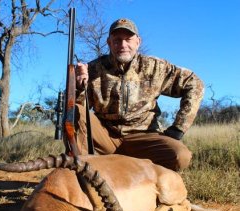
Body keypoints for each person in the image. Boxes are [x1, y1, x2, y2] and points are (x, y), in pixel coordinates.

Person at [74, 18, 204, 171]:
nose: (123, 45)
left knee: (180, 156)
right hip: (106, 138)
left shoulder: (155, 67)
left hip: (144, 138)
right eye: (117, 40)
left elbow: (194, 83)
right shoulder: (93, 69)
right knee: (74, 111)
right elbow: (77, 107)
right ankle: (82, 173)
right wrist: (78, 86)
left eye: (128, 39)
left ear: (138, 42)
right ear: (109, 43)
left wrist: (178, 128)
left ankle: (142, 174)